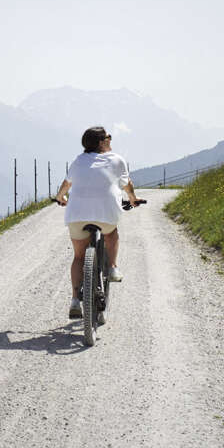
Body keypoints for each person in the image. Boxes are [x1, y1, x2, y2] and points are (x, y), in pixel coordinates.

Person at [54, 125, 144, 319]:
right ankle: (112, 267)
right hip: (106, 214)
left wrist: (61, 197)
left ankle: (75, 300)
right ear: (101, 142)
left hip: (76, 215)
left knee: (79, 257)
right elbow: (127, 184)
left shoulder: (78, 161)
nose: (111, 139)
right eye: (108, 137)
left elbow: (66, 184)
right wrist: (133, 198)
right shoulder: (117, 160)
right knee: (111, 233)